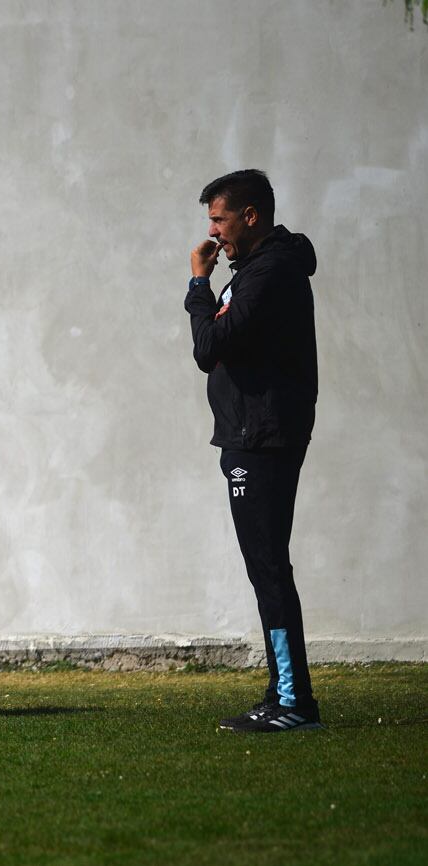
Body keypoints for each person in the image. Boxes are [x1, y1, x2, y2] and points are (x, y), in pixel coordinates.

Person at [185, 169, 322, 733]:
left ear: (250, 216)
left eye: (218, 219)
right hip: (251, 434)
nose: (212, 232)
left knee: (268, 568)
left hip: (262, 438)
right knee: (266, 567)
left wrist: (198, 285)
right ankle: (283, 694)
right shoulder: (254, 273)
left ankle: (293, 702)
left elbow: (209, 346)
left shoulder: (267, 274)